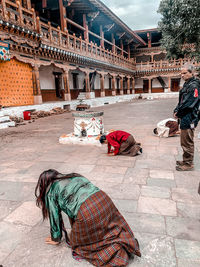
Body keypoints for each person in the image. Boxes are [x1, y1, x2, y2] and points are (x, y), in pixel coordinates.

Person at [35, 169, 141, 266]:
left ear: (44, 183)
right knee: (108, 226)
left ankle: (116, 253)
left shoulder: (51, 191)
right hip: (104, 200)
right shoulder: (74, 176)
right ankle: (122, 242)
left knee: (78, 243)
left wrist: (56, 238)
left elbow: (55, 218)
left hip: (87, 211)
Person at [174, 63, 200, 171]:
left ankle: (188, 163)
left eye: (184, 73)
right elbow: (181, 101)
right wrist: (176, 110)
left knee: (188, 141)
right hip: (184, 117)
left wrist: (178, 113)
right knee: (184, 141)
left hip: (189, 117)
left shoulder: (194, 86)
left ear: (191, 73)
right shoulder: (187, 84)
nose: (182, 75)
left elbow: (189, 104)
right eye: (181, 73)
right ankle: (185, 160)